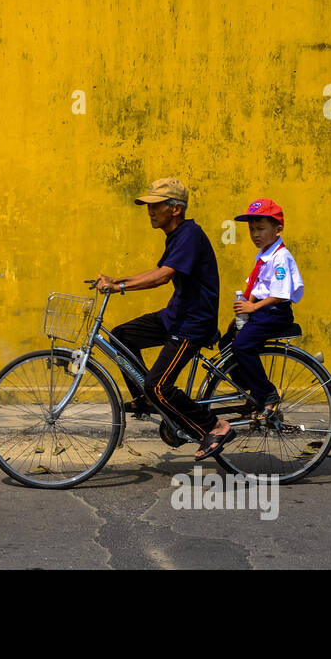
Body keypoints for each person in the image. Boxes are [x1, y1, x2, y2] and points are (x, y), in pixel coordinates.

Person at [95, 177, 232, 461]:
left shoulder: (190, 234)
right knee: (122, 335)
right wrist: (117, 279)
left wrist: (119, 288)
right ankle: (147, 400)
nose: (150, 211)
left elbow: (163, 277)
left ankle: (214, 427)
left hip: (192, 323)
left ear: (175, 209)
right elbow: (159, 269)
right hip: (176, 315)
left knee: (158, 385)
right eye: (149, 206)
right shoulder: (178, 235)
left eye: (155, 206)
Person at [224, 198, 305, 420]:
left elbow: (279, 294)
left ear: (277, 230)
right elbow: (255, 286)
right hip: (260, 311)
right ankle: (250, 391)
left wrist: (253, 306)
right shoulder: (263, 256)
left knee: (242, 345)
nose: (255, 234)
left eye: (260, 229)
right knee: (227, 342)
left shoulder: (280, 257)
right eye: (252, 229)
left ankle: (267, 395)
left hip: (274, 313)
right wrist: (244, 312)